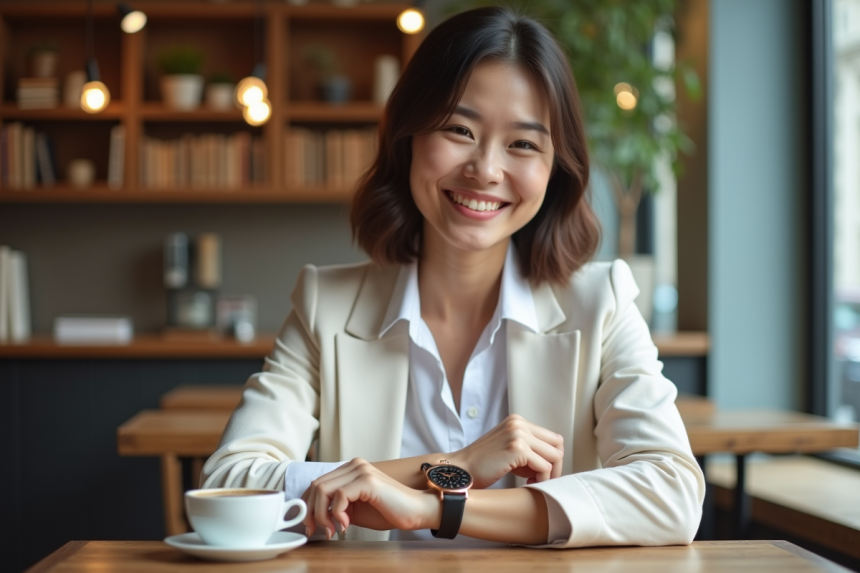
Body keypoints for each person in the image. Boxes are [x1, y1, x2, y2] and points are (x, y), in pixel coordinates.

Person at [202, 6, 704, 548]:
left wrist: (433, 507)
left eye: (523, 143)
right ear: (408, 136)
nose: (486, 169)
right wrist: (450, 465)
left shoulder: (598, 302)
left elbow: (672, 493)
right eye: (459, 129)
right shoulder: (327, 304)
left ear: (555, 169)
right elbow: (229, 482)